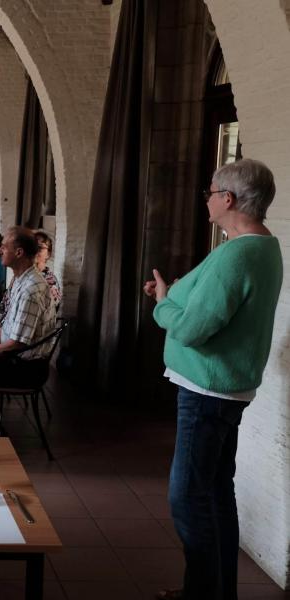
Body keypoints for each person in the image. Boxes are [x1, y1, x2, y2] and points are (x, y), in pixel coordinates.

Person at [143, 159, 282, 600]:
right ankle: (215, 591)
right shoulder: (263, 247)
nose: (206, 198)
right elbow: (217, 306)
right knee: (216, 491)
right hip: (228, 388)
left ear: (229, 199)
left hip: (207, 391)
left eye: (210, 190)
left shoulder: (237, 253)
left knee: (187, 499)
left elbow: (189, 329)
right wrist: (184, 293)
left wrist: (165, 302)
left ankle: (202, 594)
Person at [0, 226, 56, 374]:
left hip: (24, 367)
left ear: (19, 253)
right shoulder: (20, 280)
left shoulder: (30, 290)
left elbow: (15, 345)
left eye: (4, 247)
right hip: (13, 356)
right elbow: (13, 332)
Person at [33, 230, 61, 309]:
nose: (34, 251)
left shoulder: (50, 281)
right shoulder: (23, 275)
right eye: (32, 247)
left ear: (48, 254)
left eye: (39, 247)